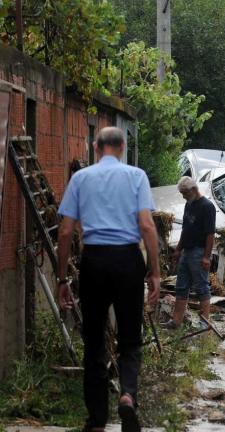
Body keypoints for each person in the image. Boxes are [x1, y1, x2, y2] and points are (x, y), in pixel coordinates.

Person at [56, 127, 161, 432]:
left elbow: (64, 232)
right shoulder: (136, 176)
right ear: (123, 146)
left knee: (94, 342)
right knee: (130, 338)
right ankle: (127, 394)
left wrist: (62, 277)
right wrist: (154, 271)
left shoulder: (80, 178)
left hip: (95, 261)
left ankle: (97, 421)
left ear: (95, 146)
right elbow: (147, 226)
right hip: (128, 260)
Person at [161, 176, 215, 329]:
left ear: (193, 189)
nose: (183, 196)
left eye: (185, 193)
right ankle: (176, 321)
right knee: (181, 286)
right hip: (187, 251)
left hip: (199, 251)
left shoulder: (207, 206)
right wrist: (178, 249)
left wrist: (206, 257)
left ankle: (205, 323)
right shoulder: (189, 204)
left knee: (202, 287)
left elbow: (210, 234)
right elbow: (185, 229)